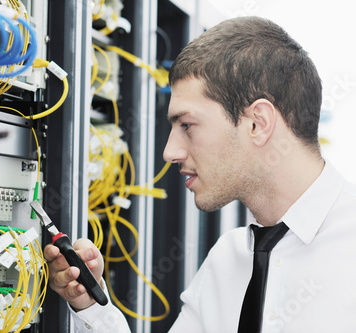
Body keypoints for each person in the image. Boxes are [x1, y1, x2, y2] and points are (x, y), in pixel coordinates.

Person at [44, 16, 356, 332]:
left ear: (257, 123)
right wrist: (91, 305)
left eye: (187, 125)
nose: (169, 152)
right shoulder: (228, 260)